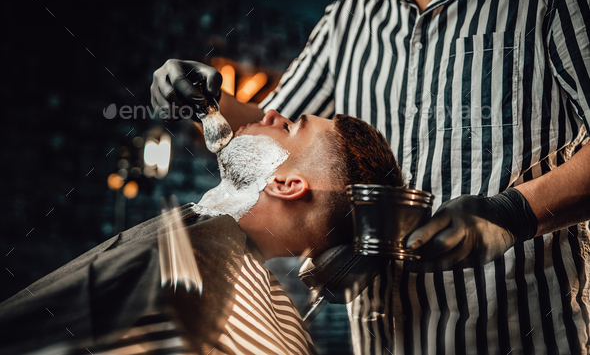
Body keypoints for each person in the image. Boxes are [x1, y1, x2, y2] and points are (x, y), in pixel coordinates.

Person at [151, 0, 590, 353]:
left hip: (521, 334)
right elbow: (275, 133)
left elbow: (285, 138)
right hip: (381, 339)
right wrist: (203, 101)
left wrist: (516, 213)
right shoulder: (347, 18)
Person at [0, 111, 403, 355]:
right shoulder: (206, 247)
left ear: (285, 184)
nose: (272, 115)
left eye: (291, 126)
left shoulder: (228, 312)